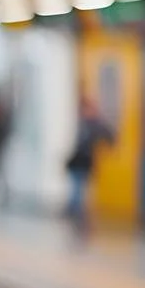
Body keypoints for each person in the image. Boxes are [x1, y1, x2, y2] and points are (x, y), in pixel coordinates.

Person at [65, 97, 113, 239]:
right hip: (79, 163)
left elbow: (109, 136)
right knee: (77, 192)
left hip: (84, 164)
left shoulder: (92, 124)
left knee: (79, 193)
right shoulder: (87, 124)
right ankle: (79, 220)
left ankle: (80, 220)